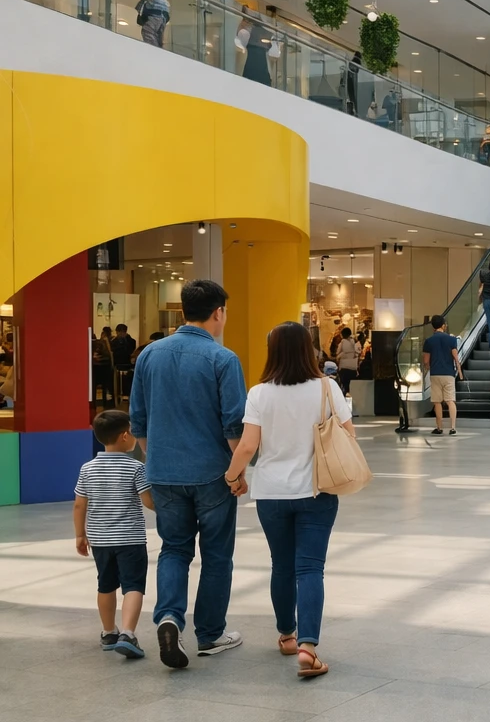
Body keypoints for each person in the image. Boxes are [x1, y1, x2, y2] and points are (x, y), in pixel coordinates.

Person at [128, 279, 246, 669]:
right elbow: (234, 426)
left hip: (163, 473)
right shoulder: (223, 359)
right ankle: (210, 634)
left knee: (174, 549)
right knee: (216, 555)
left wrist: (158, 458)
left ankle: (168, 618)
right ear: (219, 313)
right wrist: (237, 472)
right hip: (212, 474)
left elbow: (138, 420)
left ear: (183, 311)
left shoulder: (149, 355)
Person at [223, 322, 350, 680]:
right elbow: (348, 434)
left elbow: (247, 446)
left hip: (272, 493)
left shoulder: (260, 393)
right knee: (310, 568)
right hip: (318, 490)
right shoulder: (327, 387)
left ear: (273, 351)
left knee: (281, 565)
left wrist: (233, 477)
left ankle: (287, 635)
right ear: (308, 349)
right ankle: (309, 647)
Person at [74, 409, 154, 659]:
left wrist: (80, 535)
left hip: (100, 541)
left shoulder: (87, 468)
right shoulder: (136, 467)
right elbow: (148, 501)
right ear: (125, 435)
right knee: (133, 586)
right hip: (130, 539)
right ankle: (128, 634)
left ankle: (109, 632)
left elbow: (79, 505)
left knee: (105, 585)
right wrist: (170, 508)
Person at [421, 314, 461, 436]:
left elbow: (426, 361)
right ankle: (453, 427)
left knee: (437, 401)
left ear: (433, 326)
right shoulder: (452, 340)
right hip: (448, 373)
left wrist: (429, 367)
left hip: (435, 374)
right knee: (450, 400)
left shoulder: (429, 341)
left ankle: (439, 427)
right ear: (443, 325)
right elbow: (455, 356)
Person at [236, 12, 283, 87]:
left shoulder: (268, 32)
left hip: (257, 63)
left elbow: (275, 54)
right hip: (255, 63)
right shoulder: (250, 31)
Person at [335, 328, 360, 397]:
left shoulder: (342, 343)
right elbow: (358, 353)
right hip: (353, 369)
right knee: (351, 388)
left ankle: (345, 399)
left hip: (344, 369)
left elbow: (337, 353)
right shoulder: (354, 343)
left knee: (344, 387)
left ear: (342, 335)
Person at [345, 52, 361, 117]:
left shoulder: (354, 61)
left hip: (350, 78)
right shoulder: (356, 61)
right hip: (351, 78)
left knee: (351, 95)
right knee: (352, 95)